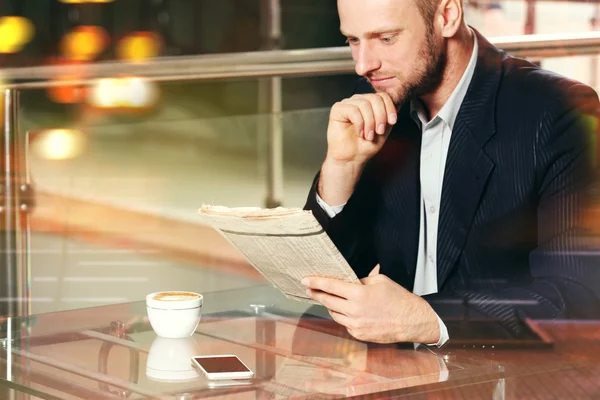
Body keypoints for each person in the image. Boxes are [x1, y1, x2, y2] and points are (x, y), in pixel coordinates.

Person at [301, 0, 600, 346]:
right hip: (390, 379)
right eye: (353, 40)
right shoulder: (375, 103)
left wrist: (426, 320)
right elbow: (325, 281)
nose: (364, 65)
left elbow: (579, 296)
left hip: (506, 381)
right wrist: (341, 169)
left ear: (447, 15)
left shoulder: (557, 111)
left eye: (385, 38)